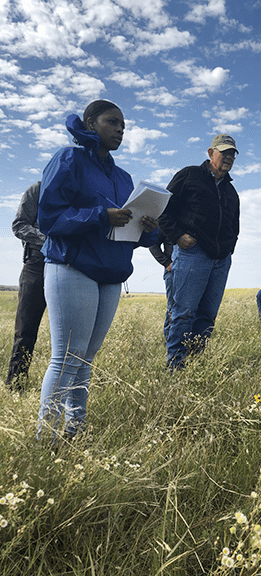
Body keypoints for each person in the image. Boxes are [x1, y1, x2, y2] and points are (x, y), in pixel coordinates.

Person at [37, 100, 158, 439]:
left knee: (86, 359)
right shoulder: (69, 159)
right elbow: (48, 218)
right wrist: (101, 215)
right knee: (66, 358)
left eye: (123, 125)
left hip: (111, 273)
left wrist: (148, 229)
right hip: (72, 266)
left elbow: (127, 235)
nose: (120, 129)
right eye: (112, 122)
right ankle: (45, 440)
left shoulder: (123, 177)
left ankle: (75, 431)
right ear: (90, 124)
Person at [159, 134, 241, 370]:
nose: (228, 157)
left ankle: (195, 361)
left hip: (221, 260)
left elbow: (235, 225)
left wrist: (228, 249)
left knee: (207, 315)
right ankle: (175, 366)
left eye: (232, 154)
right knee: (184, 312)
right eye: (224, 152)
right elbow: (163, 210)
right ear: (210, 152)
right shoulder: (189, 175)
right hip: (192, 255)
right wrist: (177, 236)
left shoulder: (231, 192)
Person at [6, 182, 46, 391]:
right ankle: (16, 386)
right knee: (25, 330)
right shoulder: (37, 189)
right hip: (36, 264)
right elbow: (19, 225)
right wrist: (47, 240)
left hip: (69, 266)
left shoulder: (75, 189)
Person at [149, 233, 174, 341]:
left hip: (194, 269)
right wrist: (167, 263)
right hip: (173, 271)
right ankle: (169, 342)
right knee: (173, 308)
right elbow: (152, 244)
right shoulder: (168, 219)